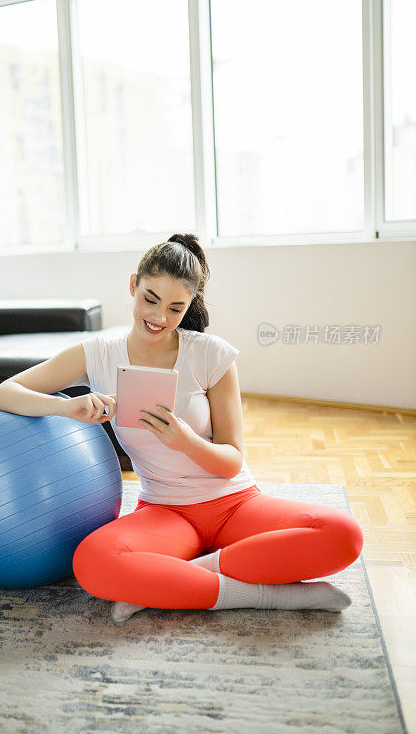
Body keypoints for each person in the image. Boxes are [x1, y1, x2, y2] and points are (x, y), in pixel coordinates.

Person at [70, 233, 364, 623]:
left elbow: (231, 461)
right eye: (150, 299)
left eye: (176, 308)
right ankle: (269, 595)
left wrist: (186, 441)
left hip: (235, 504)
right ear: (133, 285)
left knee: (343, 534)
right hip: (166, 511)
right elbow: (5, 393)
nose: (159, 318)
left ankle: (172, 582)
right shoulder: (100, 354)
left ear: (190, 304)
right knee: (92, 563)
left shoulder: (212, 354)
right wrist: (69, 405)